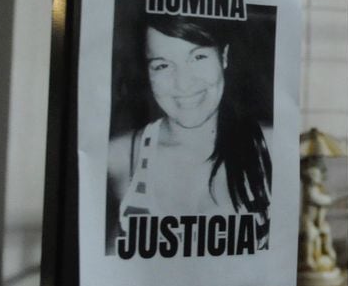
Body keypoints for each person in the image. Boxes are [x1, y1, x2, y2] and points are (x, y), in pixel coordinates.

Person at [107, 13, 272, 249]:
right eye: (162, 65)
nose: (183, 83)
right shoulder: (119, 156)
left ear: (223, 57)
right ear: (147, 72)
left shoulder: (270, 145)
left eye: (198, 57)